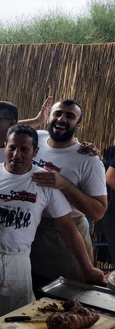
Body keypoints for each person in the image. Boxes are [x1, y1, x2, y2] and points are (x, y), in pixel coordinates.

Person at [0, 124, 105, 329]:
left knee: (18, 328)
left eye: (24, 149)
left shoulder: (44, 181)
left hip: (20, 263)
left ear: (35, 152)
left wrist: (87, 268)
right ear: (4, 146)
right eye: (12, 148)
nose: (17, 155)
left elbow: (67, 227)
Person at [29, 99, 107, 290]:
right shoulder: (36, 139)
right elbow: (2, 130)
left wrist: (64, 185)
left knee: (65, 296)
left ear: (78, 125)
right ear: (49, 117)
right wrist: (37, 120)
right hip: (29, 232)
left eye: (70, 116)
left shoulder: (88, 159)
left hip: (66, 239)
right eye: (57, 113)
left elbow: (98, 212)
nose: (62, 119)